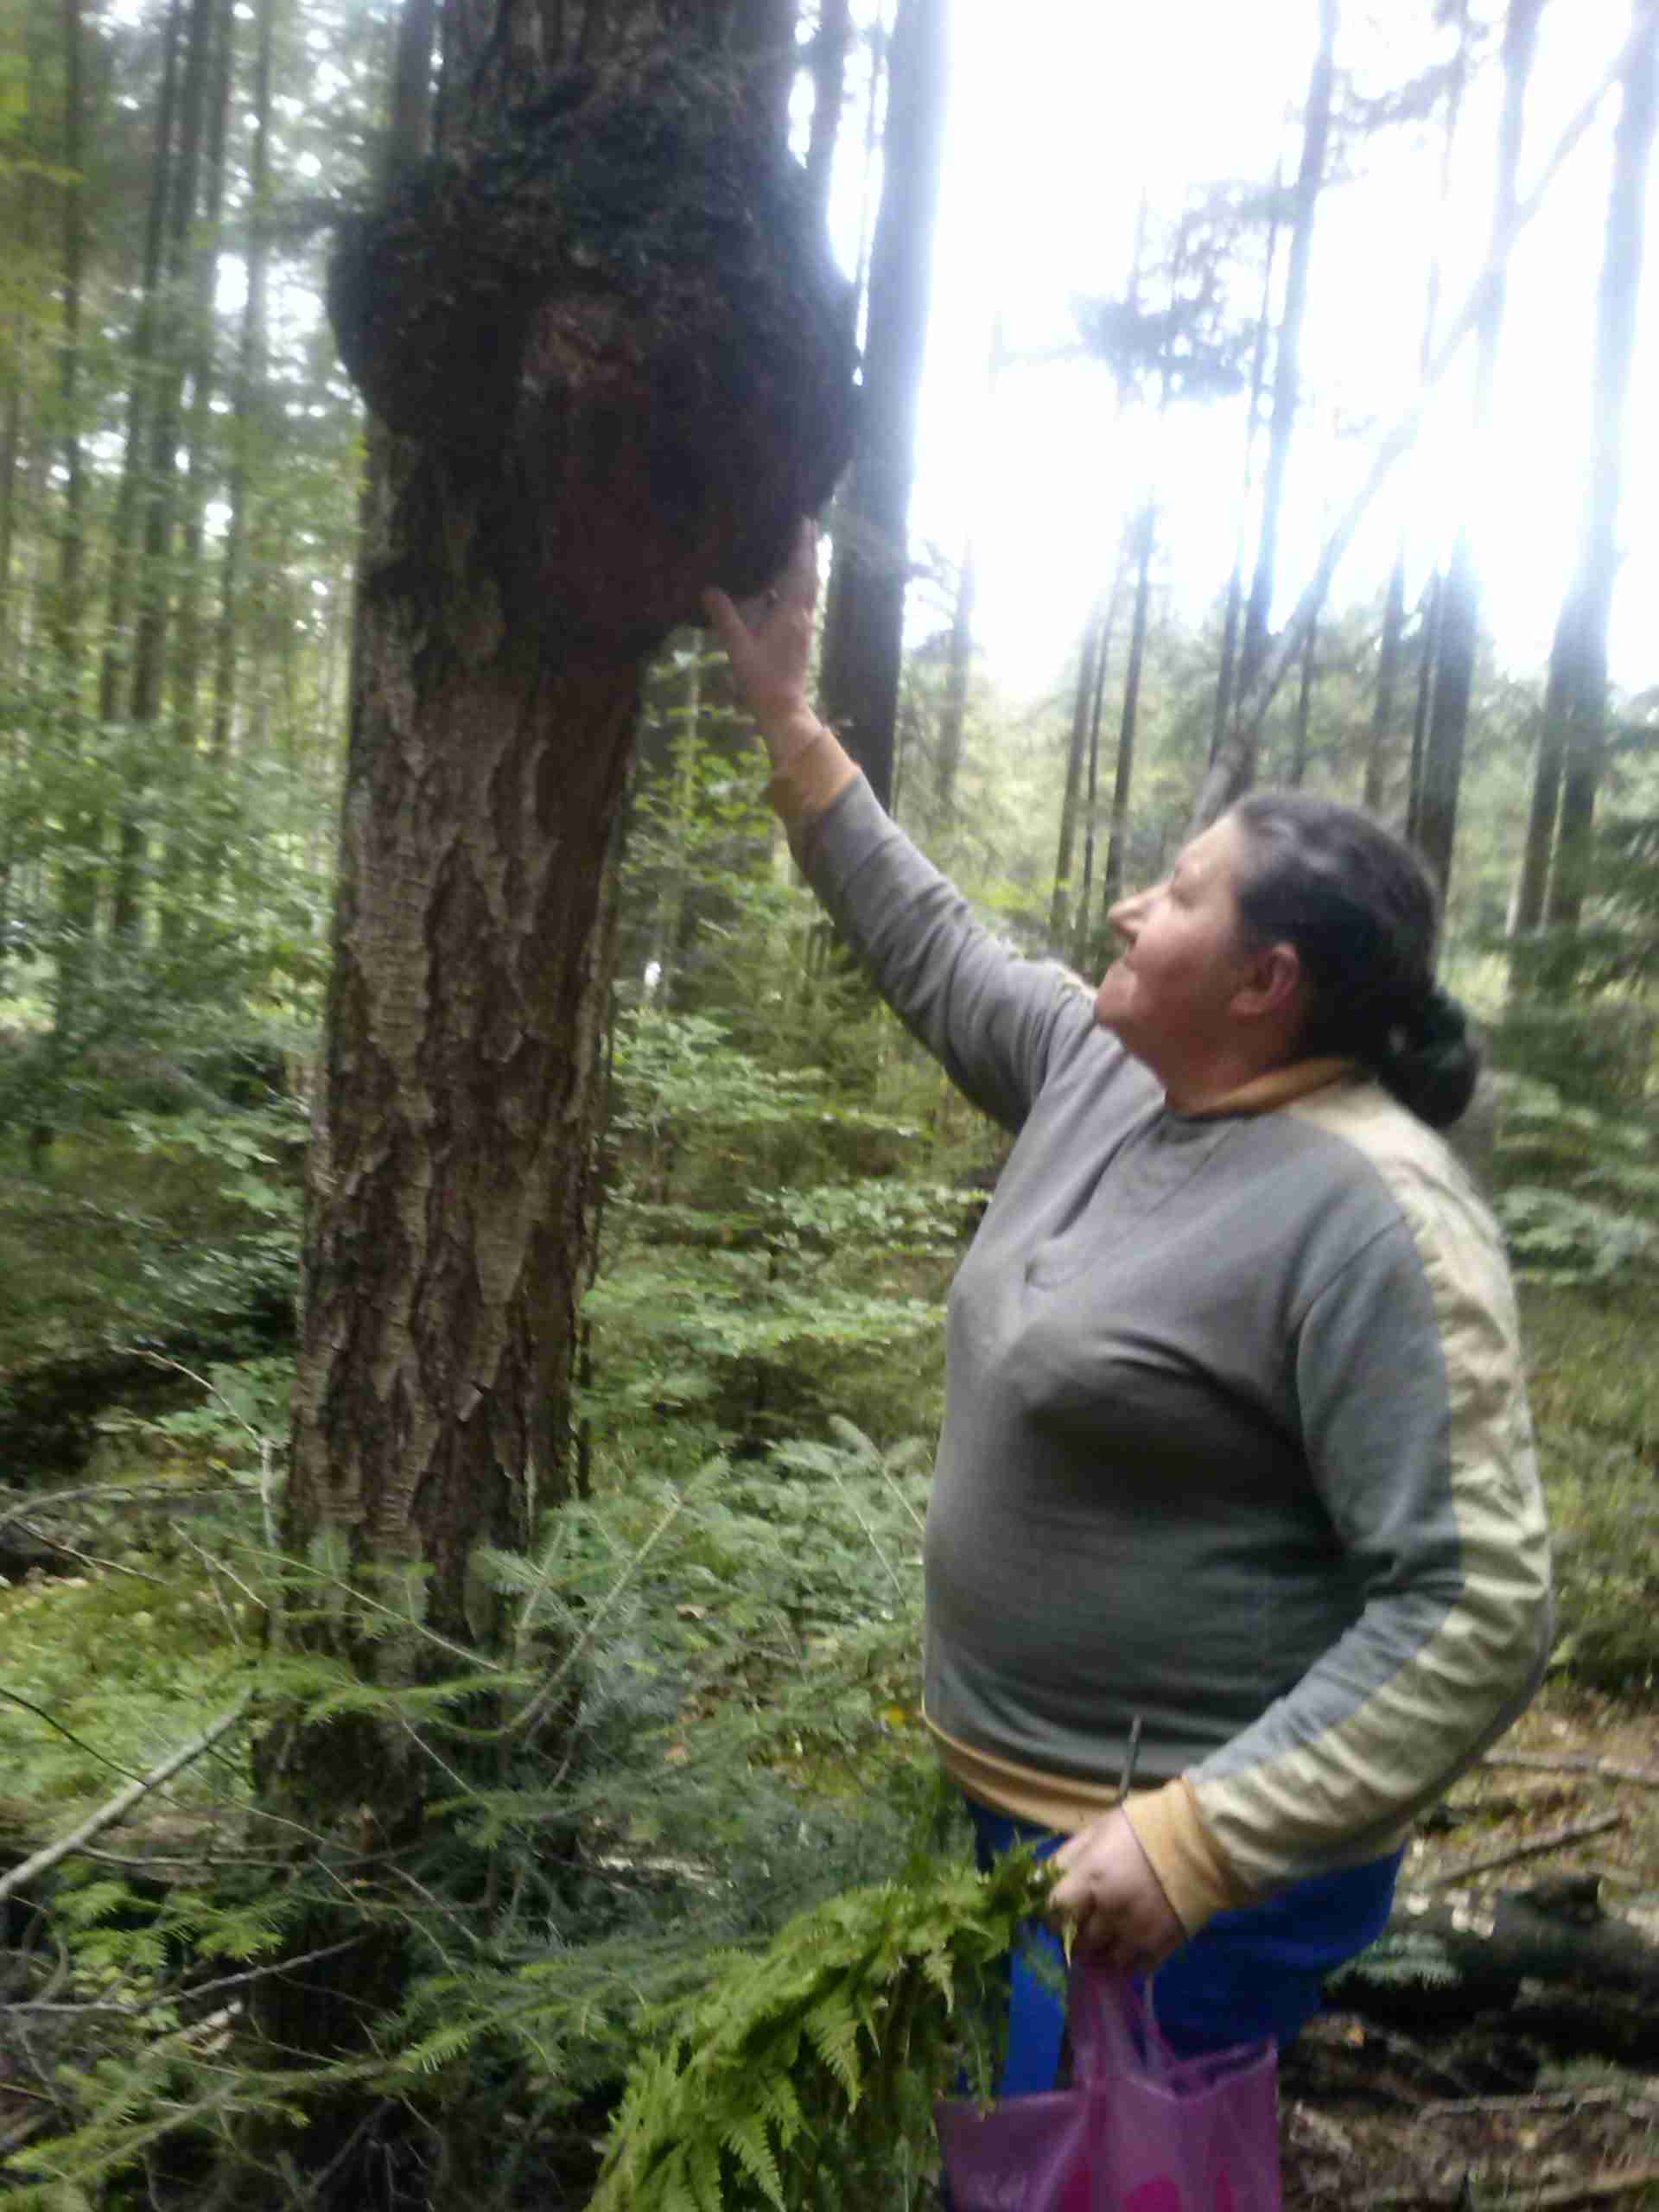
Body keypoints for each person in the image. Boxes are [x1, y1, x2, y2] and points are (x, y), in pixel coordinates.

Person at [702, 525, 1553, 2082]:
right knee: (1023, 2166)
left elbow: (1480, 1607)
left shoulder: (1378, 1213)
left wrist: (1202, 1839)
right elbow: (931, 944)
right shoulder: (1104, 1066)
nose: (1125, 910)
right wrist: (787, 715)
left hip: (1169, 1874)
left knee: (1107, 2177)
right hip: (1023, 1813)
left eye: (1177, 893)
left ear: (1264, 983)